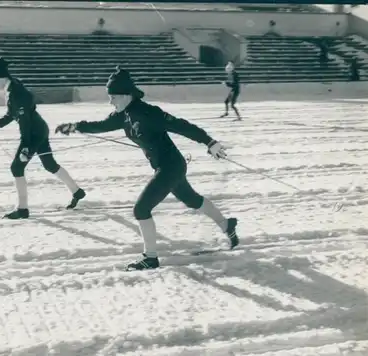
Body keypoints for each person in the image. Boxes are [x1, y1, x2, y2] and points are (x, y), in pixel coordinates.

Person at [55, 66, 240, 270]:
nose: (110, 101)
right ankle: (226, 225)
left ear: (126, 95)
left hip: (171, 166)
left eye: (113, 96)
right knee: (192, 200)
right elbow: (100, 125)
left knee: (141, 209)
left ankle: (150, 257)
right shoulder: (122, 115)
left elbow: (182, 126)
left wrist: (210, 142)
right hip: (165, 166)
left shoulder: (149, 113)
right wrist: (75, 127)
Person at [0, 57, 86, 219]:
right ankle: (77, 192)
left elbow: (25, 124)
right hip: (38, 129)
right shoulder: (11, 90)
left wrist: (26, 147)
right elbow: (11, 114)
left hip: (34, 133)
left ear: (2, 78)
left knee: (16, 167)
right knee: (49, 164)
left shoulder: (17, 93)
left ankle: (22, 209)